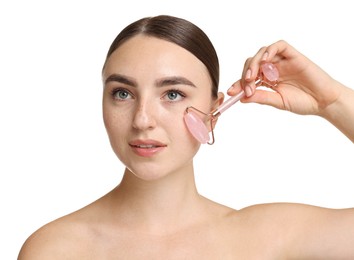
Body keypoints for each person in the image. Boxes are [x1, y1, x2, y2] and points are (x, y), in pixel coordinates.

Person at [18, 15, 354, 259]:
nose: (143, 119)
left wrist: (332, 101)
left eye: (173, 94)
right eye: (122, 93)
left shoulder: (267, 236)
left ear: (216, 110)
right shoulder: (55, 249)